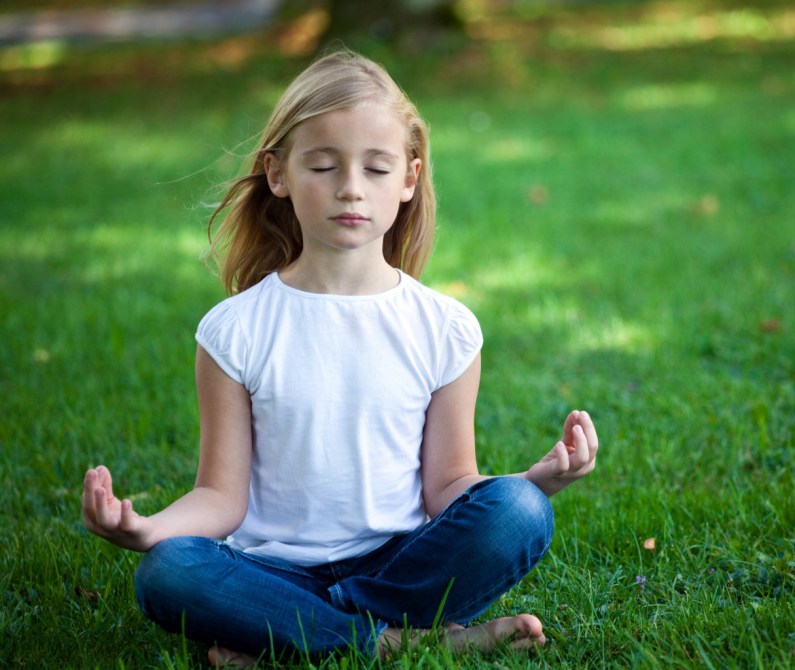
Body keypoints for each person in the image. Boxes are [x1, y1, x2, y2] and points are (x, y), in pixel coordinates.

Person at [80, 49, 599, 666]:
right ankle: (389, 642)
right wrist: (148, 529)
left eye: (376, 169)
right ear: (278, 174)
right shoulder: (234, 330)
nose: (351, 188)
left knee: (518, 511)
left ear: (408, 179)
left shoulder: (446, 328)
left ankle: (290, 639)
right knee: (168, 572)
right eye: (324, 166)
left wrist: (538, 480)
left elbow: (450, 487)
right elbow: (220, 497)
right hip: (273, 573)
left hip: (402, 567)